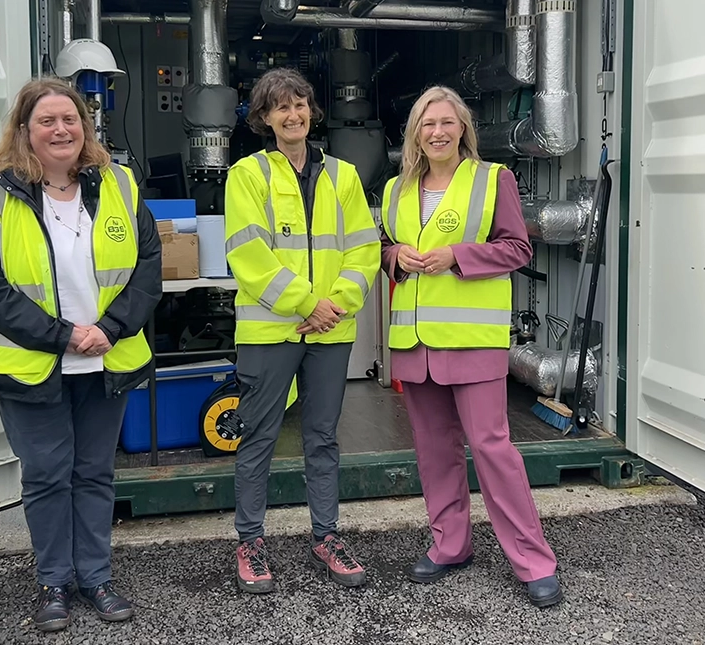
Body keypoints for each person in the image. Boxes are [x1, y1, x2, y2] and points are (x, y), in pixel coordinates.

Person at [0, 78, 162, 631]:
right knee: (48, 475)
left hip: (106, 359)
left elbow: (147, 267)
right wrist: (63, 335)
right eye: (46, 121)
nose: (60, 129)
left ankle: (96, 577)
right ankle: (54, 582)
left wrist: (111, 328)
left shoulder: (119, 184)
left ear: (84, 126)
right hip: (32, 366)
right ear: (25, 131)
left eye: (69, 119)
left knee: (95, 473)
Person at [379, 85, 562, 608]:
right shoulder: (396, 189)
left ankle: (532, 561)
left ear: (463, 129)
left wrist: (455, 256)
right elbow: (384, 247)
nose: (437, 132)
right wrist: (396, 259)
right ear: (415, 132)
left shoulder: (492, 179)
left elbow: (517, 247)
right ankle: (450, 545)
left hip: (471, 340)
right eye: (426, 123)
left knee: (491, 448)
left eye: (447, 122)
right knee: (434, 451)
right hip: (415, 341)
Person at [224, 67, 381, 593]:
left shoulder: (344, 175)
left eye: (301, 104)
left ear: (312, 112)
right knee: (259, 437)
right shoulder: (247, 175)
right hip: (271, 331)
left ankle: (326, 535)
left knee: (321, 437)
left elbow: (364, 250)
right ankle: (250, 540)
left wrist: (335, 305)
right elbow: (248, 255)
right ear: (264, 119)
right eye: (281, 107)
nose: (293, 115)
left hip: (331, 331)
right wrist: (308, 303)